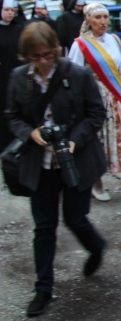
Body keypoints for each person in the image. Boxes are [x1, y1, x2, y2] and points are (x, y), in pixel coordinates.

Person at [4, 22, 107, 317]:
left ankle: (96, 246)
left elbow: (96, 113)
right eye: (36, 56)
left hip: (76, 160)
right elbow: (11, 116)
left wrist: (75, 140)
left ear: (56, 50)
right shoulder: (17, 78)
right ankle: (43, 289)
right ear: (26, 55)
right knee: (44, 227)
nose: (43, 61)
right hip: (41, 165)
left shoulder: (76, 74)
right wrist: (29, 133)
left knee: (75, 218)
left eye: (48, 54)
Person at [68, 3, 121, 204]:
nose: (102, 21)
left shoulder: (115, 41)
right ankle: (97, 185)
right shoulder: (80, 44)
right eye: (97, 18)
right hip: (94, 99)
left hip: (117, 98)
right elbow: (74, 77)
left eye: (105, 17)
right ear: (88, 20)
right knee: (98, 142)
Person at [1, 0, 23, 153]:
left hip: (15, 75)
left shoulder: (18, 30)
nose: (10, 13)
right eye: (7, 10)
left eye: (12, 10)